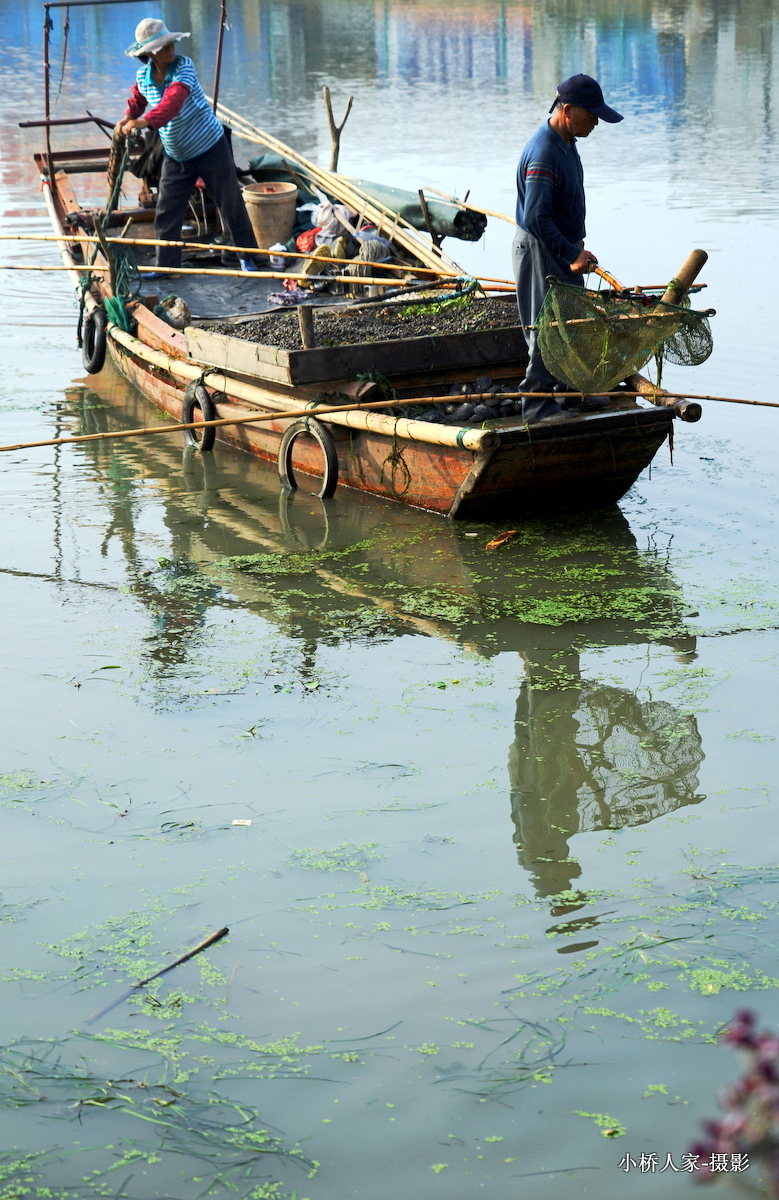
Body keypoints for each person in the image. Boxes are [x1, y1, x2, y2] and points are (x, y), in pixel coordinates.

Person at [513, 74, 623, 421]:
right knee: (547, 325)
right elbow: (535, 217)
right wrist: (570, 252)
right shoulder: (545, 151)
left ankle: (567, 390)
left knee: (571, 321)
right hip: (541, 249)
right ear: (568, 110)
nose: (595, 123)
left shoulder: (565, 143)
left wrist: (575, 241)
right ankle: (536, 404)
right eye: (592, 115)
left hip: (559, 247)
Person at [116, 18, 259, 278]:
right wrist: (128, 117)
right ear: (149, 53)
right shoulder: (143, 76)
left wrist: (145, 121)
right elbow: (138, 98)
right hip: (177, 153)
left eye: (170, 43)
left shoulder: (184, 68)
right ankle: (167, 266)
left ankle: (248, 257)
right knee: (167, 212)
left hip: (210, 146)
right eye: (163, 46)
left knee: (230, 203)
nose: (170, 49)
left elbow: (173, 102)